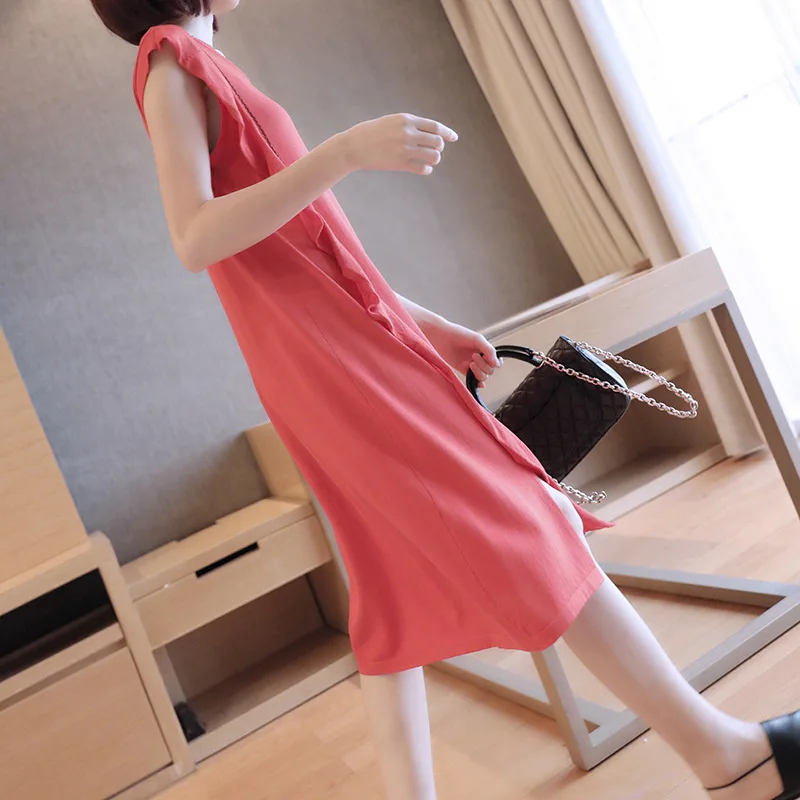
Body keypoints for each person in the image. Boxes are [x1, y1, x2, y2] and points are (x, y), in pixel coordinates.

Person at [89, 2, 800, 798]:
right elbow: (195, 236)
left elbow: (314, 256)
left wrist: (424, 323)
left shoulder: (198, 64)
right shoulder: (169, 60)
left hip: (349, 362)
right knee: (533, 523)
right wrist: (343, 152)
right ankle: (727, 757)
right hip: (343, 374)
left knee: (392, 591)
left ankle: (722, 755)